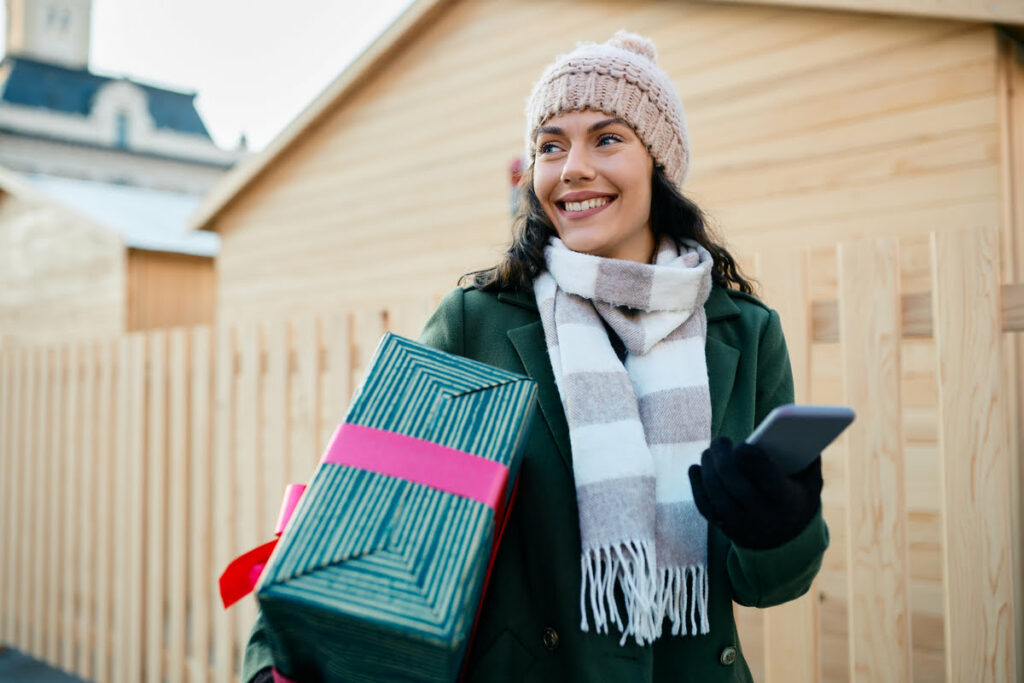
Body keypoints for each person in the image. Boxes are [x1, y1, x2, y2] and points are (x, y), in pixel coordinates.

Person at [243, 31, 827, 683]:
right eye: (551, 145)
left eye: (607, 138)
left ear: (659, 164)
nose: (572, 167)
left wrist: (780, 523)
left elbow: (770, 585)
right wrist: (278, 662)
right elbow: (370, 498)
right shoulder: (481, 321)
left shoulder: (743, 333)